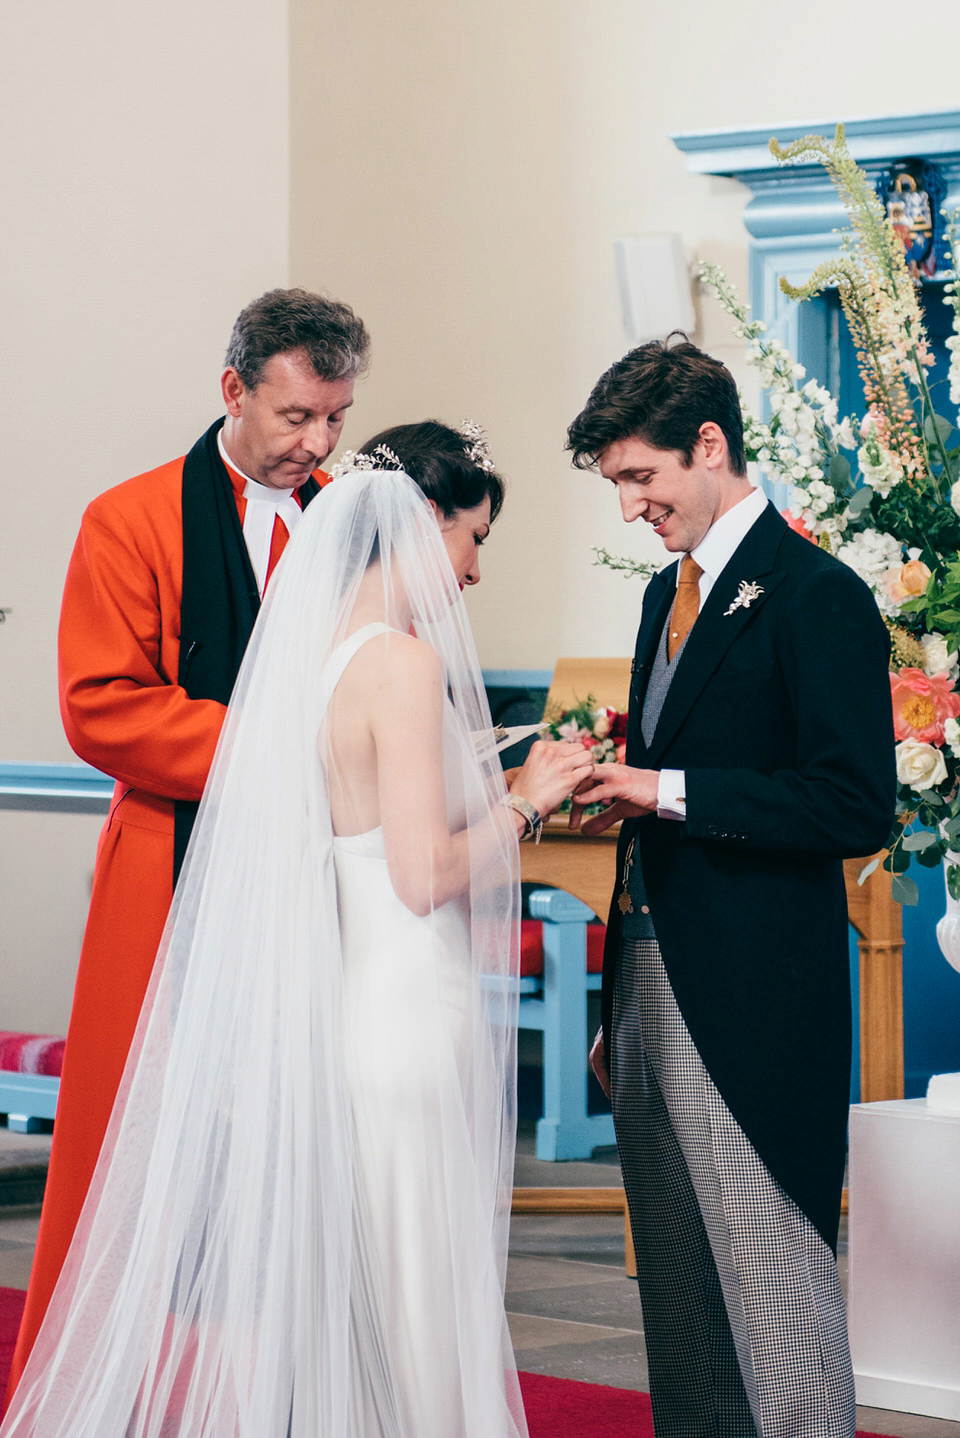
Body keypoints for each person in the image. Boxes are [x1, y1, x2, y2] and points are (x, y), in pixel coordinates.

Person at [1, 421, 593, 1437]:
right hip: (411, 1013)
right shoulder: (402, 667)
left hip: (353, 1017)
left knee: (365, 1309)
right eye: (473, 537)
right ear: (418, 525)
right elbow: (422, 875)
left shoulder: (312, 661)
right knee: (419, 1309)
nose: (477, 569)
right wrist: (529, 799)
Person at [8, 288, 371, 1400]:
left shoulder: (350, 515)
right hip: (173, 867)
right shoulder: (130, 519)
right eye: (298, 416)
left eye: (336, 420)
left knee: (311, 1142)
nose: (316, 444)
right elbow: (101, 704)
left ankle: (283, 1386)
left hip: (326, 881)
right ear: (233, 389)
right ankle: (111, 1386)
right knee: (142, 1139)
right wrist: (284, 744)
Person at [566, 336, 895, 1438]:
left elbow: (852, 804)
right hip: (650, 974)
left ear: (710, 445)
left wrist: (662, 789)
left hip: (755, 990)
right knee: (681, 1286)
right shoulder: (667, 592)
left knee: (773, 1278)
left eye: (641, 478)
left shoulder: (820, 595)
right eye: (618, 484)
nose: (631, 506)